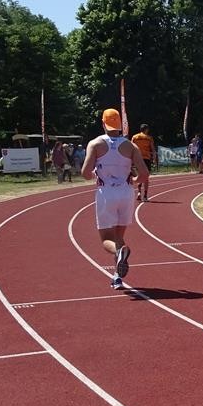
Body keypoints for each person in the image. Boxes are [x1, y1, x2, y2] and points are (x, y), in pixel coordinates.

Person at [82, 108, 147, 289]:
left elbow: (85, 173)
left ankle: (120, 253)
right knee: (119, 237)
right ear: (120, 125)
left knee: (106, 240)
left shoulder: (95, 144)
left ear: (103, 123)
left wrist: (95, 173)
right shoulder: (130, 146)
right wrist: (134, 180)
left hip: (106, 193)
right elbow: (144, 174)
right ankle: (117, 277)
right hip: (126, 193)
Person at [131, 124, 156, 198]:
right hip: (146, 158)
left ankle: (139, 192)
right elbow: (153, 149)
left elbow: (131, 147)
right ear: (146, 129)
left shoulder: (135, 137)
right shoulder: (149, 138)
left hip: (137, 158)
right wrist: (154, 158)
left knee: (140, 175)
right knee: (146, 177)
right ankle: (145, 195)